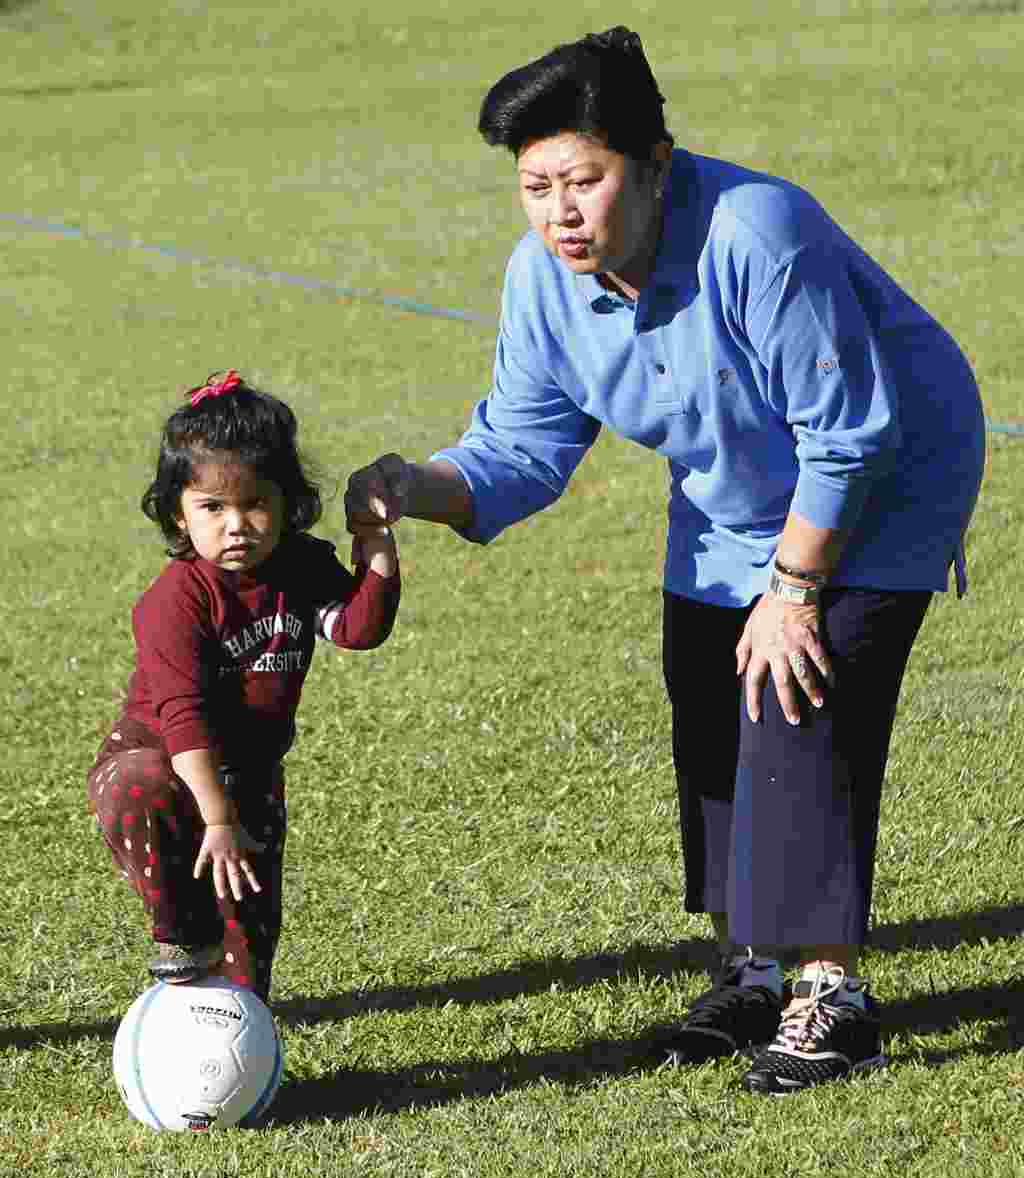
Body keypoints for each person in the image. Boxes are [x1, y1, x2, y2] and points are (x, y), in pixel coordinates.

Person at [344, 28, 985, 1094]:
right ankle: (752, 964)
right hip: (734, 491)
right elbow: (521, 445)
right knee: (707, 697)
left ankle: (832, 997)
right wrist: (414, 484)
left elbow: (848, 433)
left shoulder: (756, 233)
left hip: (883, 475)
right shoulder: (543, 279)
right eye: (535, 184)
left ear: (652, 164)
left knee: (799, 690)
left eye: (582, 180)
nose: (557, 210)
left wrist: (793, 590)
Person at [88, 371, 400, 1002]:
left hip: (248, 774)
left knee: (243, 977)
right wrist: (216, 818)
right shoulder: (175, 599)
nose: (237, 524)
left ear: (288, 503)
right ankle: (177, 931)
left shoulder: (301, 565)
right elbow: (183, 715)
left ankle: (242, 1070)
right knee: (137, 784)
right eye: (212, 507)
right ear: (178, 511)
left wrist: (377, 547)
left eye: (255, 503)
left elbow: (357, 629)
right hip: (170, 758)